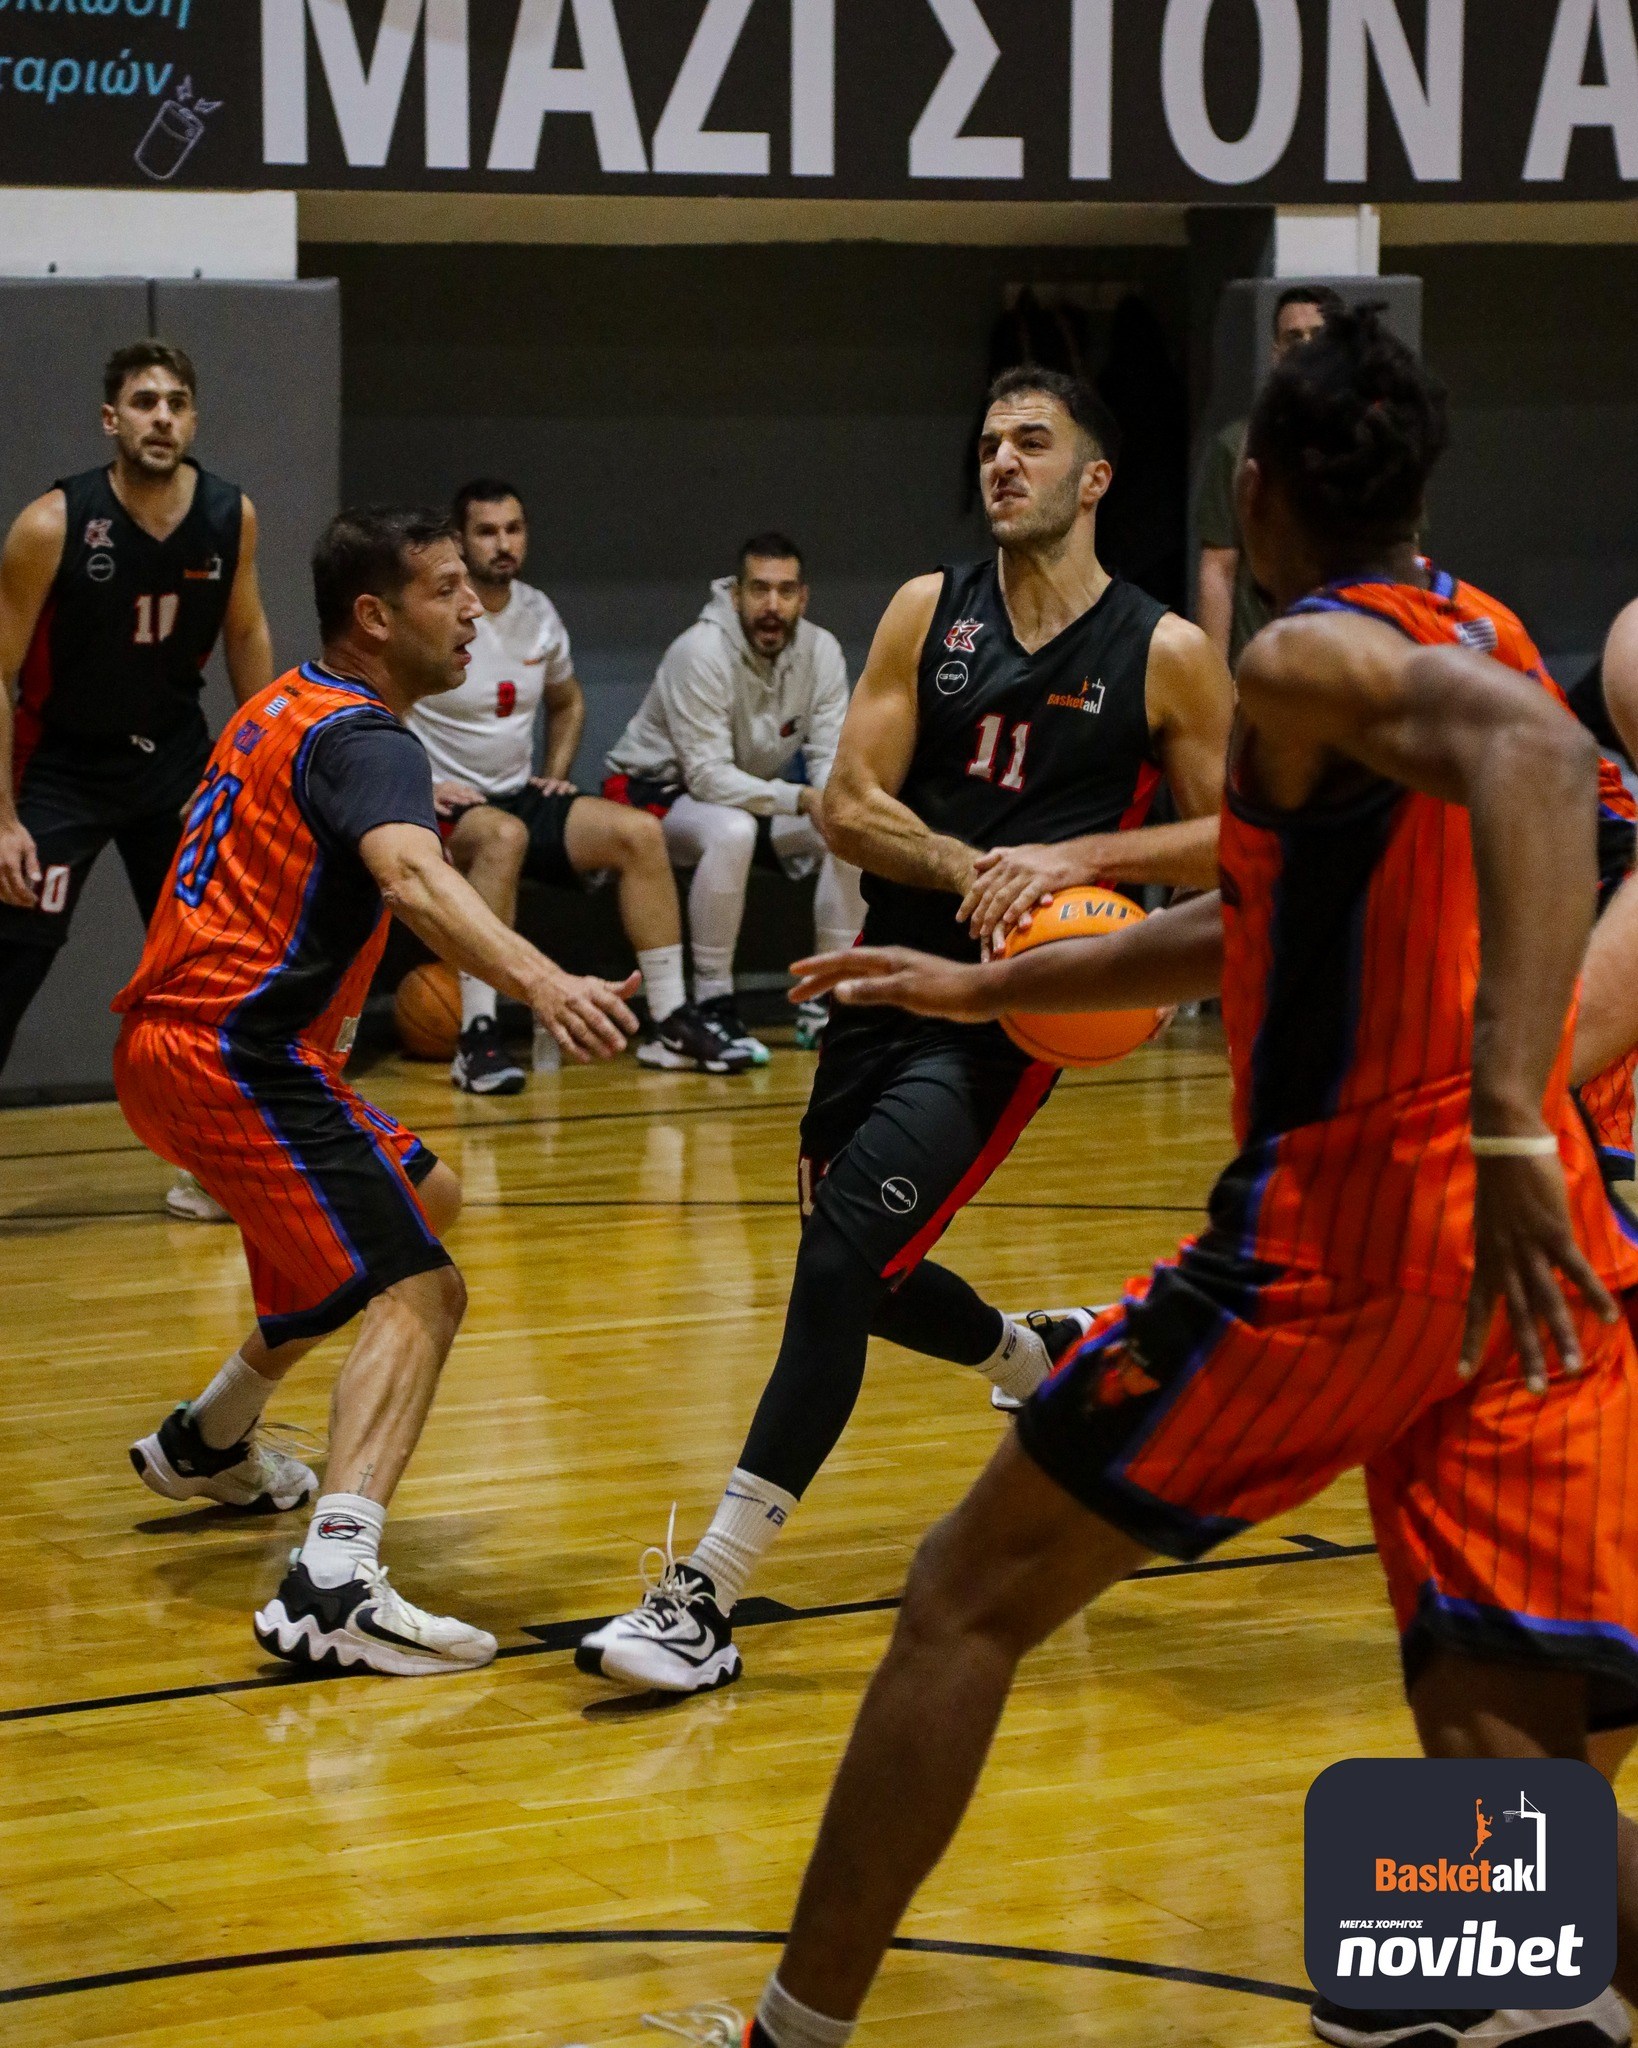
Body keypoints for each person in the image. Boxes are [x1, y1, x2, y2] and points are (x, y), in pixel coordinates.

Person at [742, 308, 1638, 2048]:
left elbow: (1530, 763)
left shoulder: (1301, 657)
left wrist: (1513, 1108)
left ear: (1251, 495)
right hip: (1518, 1267)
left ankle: (789, 2031)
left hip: (1344, 1247)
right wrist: (979, 983)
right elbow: (1252, 923)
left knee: (957, 1596)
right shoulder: (1484, 620)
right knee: (1494, 1745)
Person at [579, 367, 1234, 1698]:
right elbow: (845, 803)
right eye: (987, 441)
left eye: (1031, 442)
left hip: (1008, 1011)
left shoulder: (1161, 651)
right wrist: (966, 858)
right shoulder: (926, 614)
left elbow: (1237, 836)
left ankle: (703, 1592)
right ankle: (1037, 1356)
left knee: (837, 1266)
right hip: (876, 975)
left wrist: (1079, 859)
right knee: (864, 1274)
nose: (1000, 461)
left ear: (1091, 479)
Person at [119, 507, 639, 1677]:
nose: (474, 611)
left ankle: (211, 1436)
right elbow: (410, 873)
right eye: (449, 590)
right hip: (236, 1055)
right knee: (424, 1288)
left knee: (428, 1194)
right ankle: (334, 1580)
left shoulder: (282, 704)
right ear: (375, 615)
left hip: (197, 1051)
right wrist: (544, 979)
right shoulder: (370, 738)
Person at [0, 339, 275, 1224]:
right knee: (10, 965)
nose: (163, 416)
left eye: (178, 403)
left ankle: (211, 1163)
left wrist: (263, 777)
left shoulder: (232, 516)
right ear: (112, 419)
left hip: (174, 764)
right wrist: (2, 817)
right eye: (146, 401)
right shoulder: (51, 523)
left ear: (194, 419)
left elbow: (244, 641)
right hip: (60, 769)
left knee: (208, 974)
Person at [406, 481, 748, 1091]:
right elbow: (383, 702)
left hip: (519, 791)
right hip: (448, 806)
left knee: (639, 832)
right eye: (487, 531)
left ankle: (669, 1019)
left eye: (513, 529)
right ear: (459, 541)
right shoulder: (435, 611)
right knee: (503, 837)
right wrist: (417, 783)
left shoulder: (538, 613)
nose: (503, 543)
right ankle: (478, 1036)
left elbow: (568, 701)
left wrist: (555, 772)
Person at [603, 535, 865, 1063]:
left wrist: (832, 804)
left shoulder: (822, 651)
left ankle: (831, 1002)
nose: (772, 606)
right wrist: (801, 798)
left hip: (750, 795)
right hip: (649, 791)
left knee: (848, 830)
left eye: (785, 592)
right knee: (731, 830)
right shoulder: (699, 650)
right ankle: (714, 1002)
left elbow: (828, 763)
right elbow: (706, 779)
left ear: (803, 598)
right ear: (737, 594)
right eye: (760, 590)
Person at [1194, 285, 1345, 668]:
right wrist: (1213, 683)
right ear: (1276, 352)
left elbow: (1404, 558)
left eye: (1319, 336)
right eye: (1293, 337)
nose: (1306, 346)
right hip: (1263, 664)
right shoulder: (1238, 446)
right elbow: (1218, 569)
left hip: (1348, 660)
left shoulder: (1376, 443)